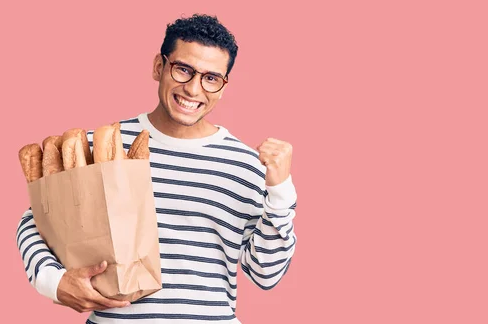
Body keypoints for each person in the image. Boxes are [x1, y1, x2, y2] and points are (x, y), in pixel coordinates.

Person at [15, 14, 298, 323]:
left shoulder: (246, 165)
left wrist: (281, 193)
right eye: (183, 70)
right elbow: (36, 221)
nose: (193, 89)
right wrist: (53, 282)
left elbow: (265, 275)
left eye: (211, 78)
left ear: (223, 85)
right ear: (158, 67)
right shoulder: (102, 147)